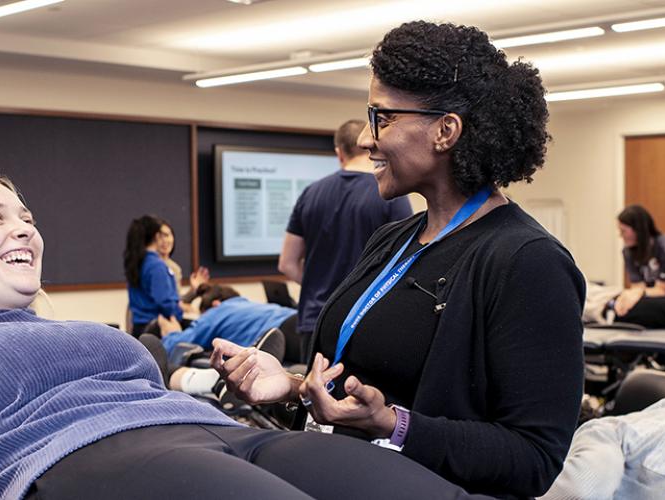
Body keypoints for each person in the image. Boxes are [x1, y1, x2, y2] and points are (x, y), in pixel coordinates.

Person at [0, 168, 481, 500]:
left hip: (213, 427)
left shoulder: (75, 332)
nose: (25, 229)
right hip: (83, 455)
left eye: (27, 217)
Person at [214, 21, 585, 498]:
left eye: (382, 118)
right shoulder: (394, 239)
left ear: (446, 130)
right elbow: (362, 390)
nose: (368, 141)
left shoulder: (527, 261)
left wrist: (394, 425)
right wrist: (293, 387)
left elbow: (533, 458)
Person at [280, 119, 412, 356]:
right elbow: (406, 261)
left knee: (311, 391)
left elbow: (287, 264)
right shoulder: (391, 193)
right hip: (365, 319)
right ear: (371, 147)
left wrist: (319, 285)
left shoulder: (311, 193)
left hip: (315, 321)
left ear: (339, 153)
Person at [157, 284, 295, 354]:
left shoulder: (218, 311)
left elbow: (178, 345)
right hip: (300, 321)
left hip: (286, 334)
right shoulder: (248, 305)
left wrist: (171, 333)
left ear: (215, 304)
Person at [123, 215, 199, 336]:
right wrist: (179, 315)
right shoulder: (156, 266)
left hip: (140, 327)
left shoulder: (138, 262)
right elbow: (165, 302)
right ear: (156, 236)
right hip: (157, 329)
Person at [156, 219, 210, 317]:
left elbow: (177, 300)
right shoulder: (152, 267)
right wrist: (185, 308)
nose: (164, 241)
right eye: (160, 237)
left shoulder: (174, 268)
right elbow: (164, 303)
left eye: (167, 235)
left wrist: (194, 290)